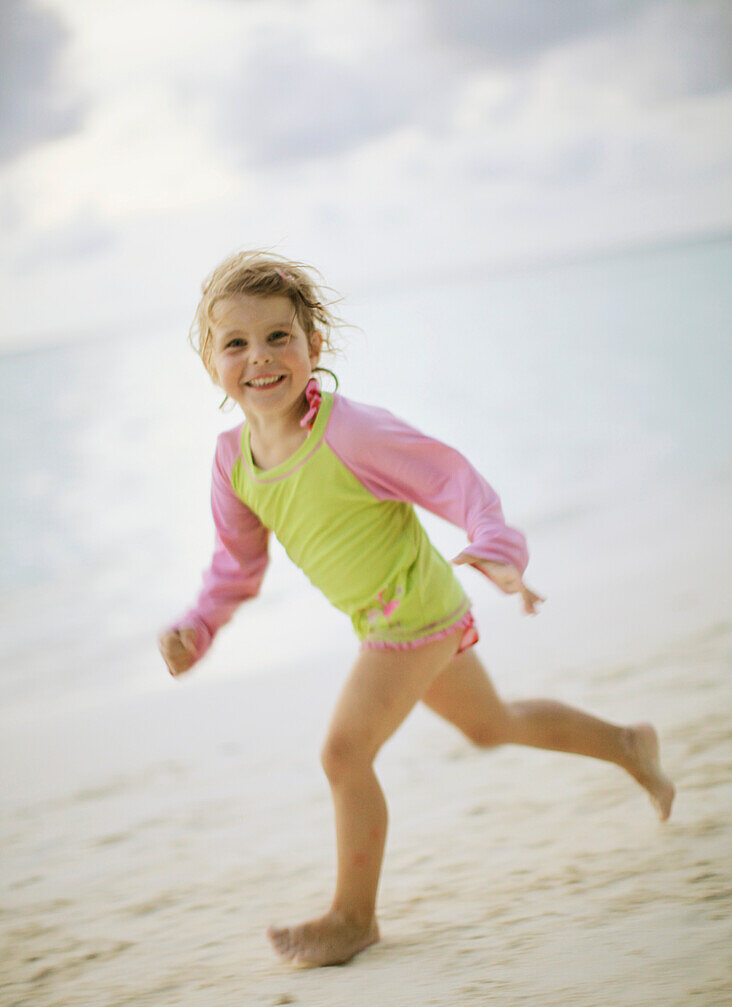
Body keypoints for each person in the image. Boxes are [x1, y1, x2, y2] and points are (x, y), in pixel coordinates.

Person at [159, 250, 675, 968]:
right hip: (384, 620)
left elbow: (454, 479)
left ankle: (352, 917)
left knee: (343, 754)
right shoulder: (232, 461)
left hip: (415, 614)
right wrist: (199, 626)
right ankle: (626, 746)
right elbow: (237, 564)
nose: (261, 357)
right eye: (236, 343)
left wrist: (495, 547)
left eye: (280, 336)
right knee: (493, 726)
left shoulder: (349, 432)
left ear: (314, 343)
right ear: (210, 360)